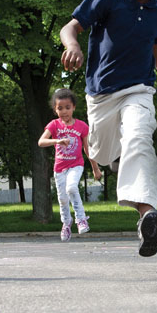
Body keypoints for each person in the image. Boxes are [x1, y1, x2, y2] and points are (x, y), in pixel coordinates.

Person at [60, 0, 157, 257]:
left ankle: (146, 214)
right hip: (101, 95)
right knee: (103, 154)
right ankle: (115, 160)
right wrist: (72, 45)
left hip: (139, 90)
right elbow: (69, 28)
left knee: (140, 137)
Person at [38, 88, 103, 242]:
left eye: (67, 107)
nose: (64, 111)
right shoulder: (54, 125)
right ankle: (66, 223)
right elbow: (41, 142)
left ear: (74, 107)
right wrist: (57, 140)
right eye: (60, 108)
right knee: (62, 199)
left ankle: (81, 218)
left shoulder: (81, 126)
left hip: (76, 165)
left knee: (71, 188)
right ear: (55, 109)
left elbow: (88, 149)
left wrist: (95, 168)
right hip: (59, 169)